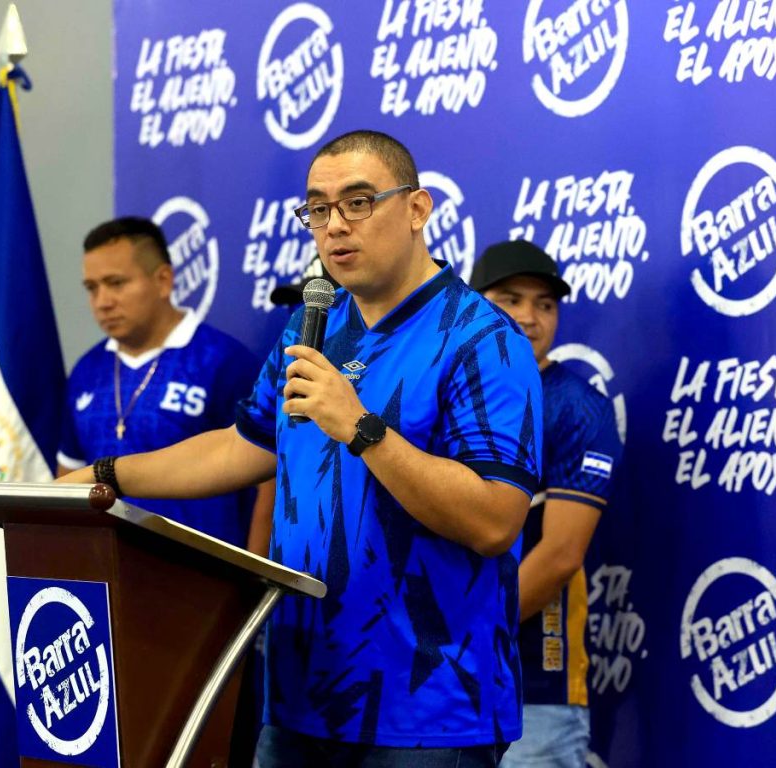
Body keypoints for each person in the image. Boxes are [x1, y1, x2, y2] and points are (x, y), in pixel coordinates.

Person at [61, 131, 543, 766]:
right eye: (318, 209)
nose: (335, 226)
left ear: (418, 209)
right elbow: (242, 446)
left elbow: (493, 519)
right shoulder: (314, 325)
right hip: (299, 697)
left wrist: (362, 428)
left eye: (359, 202)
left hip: (429, 711)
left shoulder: (483, 339)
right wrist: (105, 475)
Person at [470, 240, 622, 768]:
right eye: (509, 299)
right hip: (422, 686)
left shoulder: (578, 405)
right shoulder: (445, 390)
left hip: (534, 686)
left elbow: (560, 554)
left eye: (545, 304)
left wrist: (456, 635)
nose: (528, 318)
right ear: (473, 303)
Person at [57, 216, 272, 552]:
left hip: (203, 577)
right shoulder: (85, 371)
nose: (102, 301)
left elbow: (269, 479)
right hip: (107, 578)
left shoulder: (223, 360)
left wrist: (259, 582)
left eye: (116, 283)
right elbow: (66, 481)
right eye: (92, 288)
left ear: (163, 280)